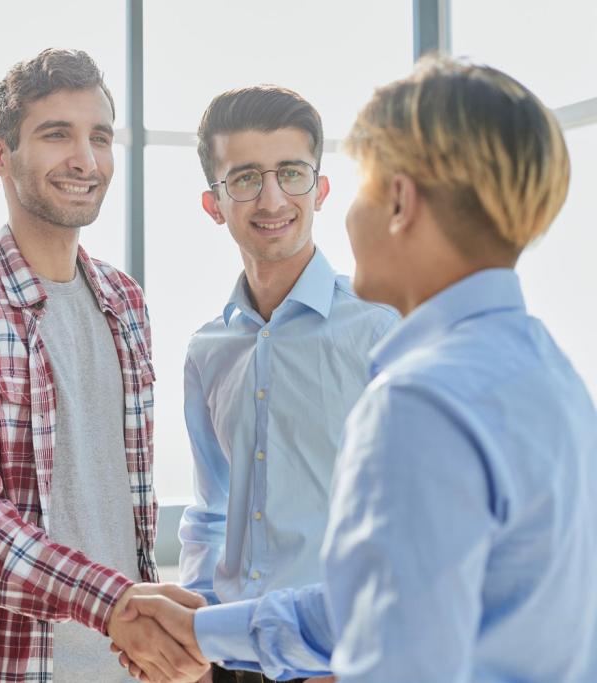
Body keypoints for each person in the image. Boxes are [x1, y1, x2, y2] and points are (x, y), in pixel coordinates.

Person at [116, 56, 597, 683]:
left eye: (361, 185)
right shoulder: (552, 374)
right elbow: (386, 596)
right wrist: (204, 633)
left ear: (398, 201)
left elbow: (396, 647)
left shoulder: (419, 397)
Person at [0, 48, 207, 683]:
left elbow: (124, 500)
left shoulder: (125, 300)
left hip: (126, 666)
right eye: (56, 134)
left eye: (100, 137)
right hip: (1, 667)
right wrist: (112, 602)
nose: (85, 160)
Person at [179, 86, 395, 683]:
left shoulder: (382, 328)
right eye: (246, 178)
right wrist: (196, 634)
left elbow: (413, 518)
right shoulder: (206, 351)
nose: (272, 198)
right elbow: (211, 511)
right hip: (230, 655)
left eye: (292, 173)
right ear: (214, 204)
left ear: (320, 190)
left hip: (337, 658)